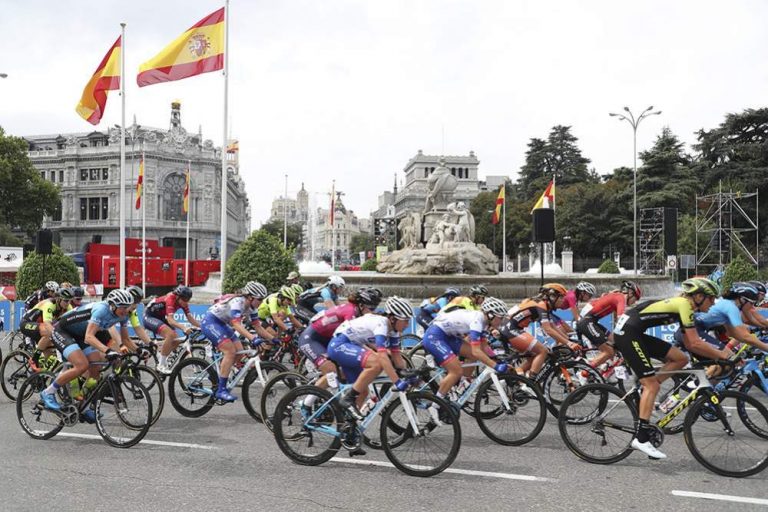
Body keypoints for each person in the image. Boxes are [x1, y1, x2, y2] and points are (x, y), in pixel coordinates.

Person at [613, 278, 726, 460]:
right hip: (627, 333)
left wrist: (713, 356)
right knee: (652, 386)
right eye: (711, 299)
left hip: (633, 331)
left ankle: (647, 385)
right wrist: (722, 356)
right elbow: (695, 342)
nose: (713, 303)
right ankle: (641, 438)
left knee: (680, 358)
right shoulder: (685, 305)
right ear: (698, 296)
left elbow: (689, 343)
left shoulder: (684, 306)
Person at [42, 290, 142, 417]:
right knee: (81, 365)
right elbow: (89, 337)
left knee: (96, 369)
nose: (124, 310)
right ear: (112, 305)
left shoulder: (125, 314)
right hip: (63, 331)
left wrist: (139, 350)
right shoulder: (101, 310)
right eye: (121, 307)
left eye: (126, 307)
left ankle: (82, 404)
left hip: (80, 333)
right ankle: (48, 392)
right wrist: (108, 351)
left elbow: (126, 339)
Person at [328, 297, 411, 421]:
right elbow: (382, 356)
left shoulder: (393, 330)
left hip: (353, 346)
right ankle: (347, 399)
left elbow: (397, 357)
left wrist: (409, 374)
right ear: (393, 318)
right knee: (377, 363)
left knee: (363, 391)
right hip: (339, 344)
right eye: (405, 320)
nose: (407, 324)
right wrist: (397, 382)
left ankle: (348, 427)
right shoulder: (381, 324)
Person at [422, 297, 510, 407]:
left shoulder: (484, 322)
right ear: (491, 315)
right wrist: (495, 365)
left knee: (472, 355)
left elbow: (483, 345)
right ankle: (436, 406)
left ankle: (461, 387)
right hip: (435, 336)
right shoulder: (477, 321)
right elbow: (477, 351)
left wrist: (495, 358)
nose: (502, 321)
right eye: (500, 318)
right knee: (456, 371)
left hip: (448, 336)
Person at [298, 288, 382, 391]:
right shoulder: (351, 312)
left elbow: (364, 339)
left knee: (344, 372)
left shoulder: (355, 310)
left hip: (325, 339)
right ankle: (306, 404)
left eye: (375, 308)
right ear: (361, 305)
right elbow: (354, 339)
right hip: (311, 339)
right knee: (332, 373)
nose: (373, 311)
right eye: (371, 308)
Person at [200, 281, 270, 402]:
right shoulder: (238, 302)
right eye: (260, 299)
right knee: (230, 352)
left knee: (240, 352)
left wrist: (273, 339)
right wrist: (253, 338)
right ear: (250, 297)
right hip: (211, 322)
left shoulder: (252, 308)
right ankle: (221, 390)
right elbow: (236, 325)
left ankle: (224, 372)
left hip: (221, 324)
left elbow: (258, 327)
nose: (261, 302)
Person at [499, 284, 579, 378]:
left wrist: (569, 339)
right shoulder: (541, 305)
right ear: (552, 297)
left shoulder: (543, 305)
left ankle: (518, 376)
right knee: (542, 351)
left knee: (534, 356)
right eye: (561, 297)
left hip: (510, 328)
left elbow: (553, 327)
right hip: (510, 329)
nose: (563, 300)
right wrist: (569, 343)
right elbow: (548, 330)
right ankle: (531, 382)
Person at [577, 281, 641, 369]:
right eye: (636, 298)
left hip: (591, 321)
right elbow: (620, 320)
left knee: (615, 341)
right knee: (609, 352)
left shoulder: (617, 296)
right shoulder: (621, 298)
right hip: (587, 322)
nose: (635, 302)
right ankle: (585, 372)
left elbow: (616, 321)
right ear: (630, 293)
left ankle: (605, 367)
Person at [143, 285, 201, 374]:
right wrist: (184, 327)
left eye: (188, 300)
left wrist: (202, 327)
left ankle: (160, 353)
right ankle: (161, 365)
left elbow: (190, 318)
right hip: (149, 316)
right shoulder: (170, 298)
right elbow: (170, 320)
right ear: (178, 297)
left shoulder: (183, 302)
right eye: (185, 300)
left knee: (176, 339)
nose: (186, 302)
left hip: (160, 317)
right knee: (170, 334)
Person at [23, 287, 75, 370]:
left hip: (40, 325)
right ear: (58, 299)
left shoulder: (69, 307)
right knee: (49, 333)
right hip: (27, 323)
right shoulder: (50, 304)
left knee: (51, 358)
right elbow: (48, 325)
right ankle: (34, 359)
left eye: (69, 300)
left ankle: (39, 376)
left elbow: (72, 324)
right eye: (65, 300)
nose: (68, 303)